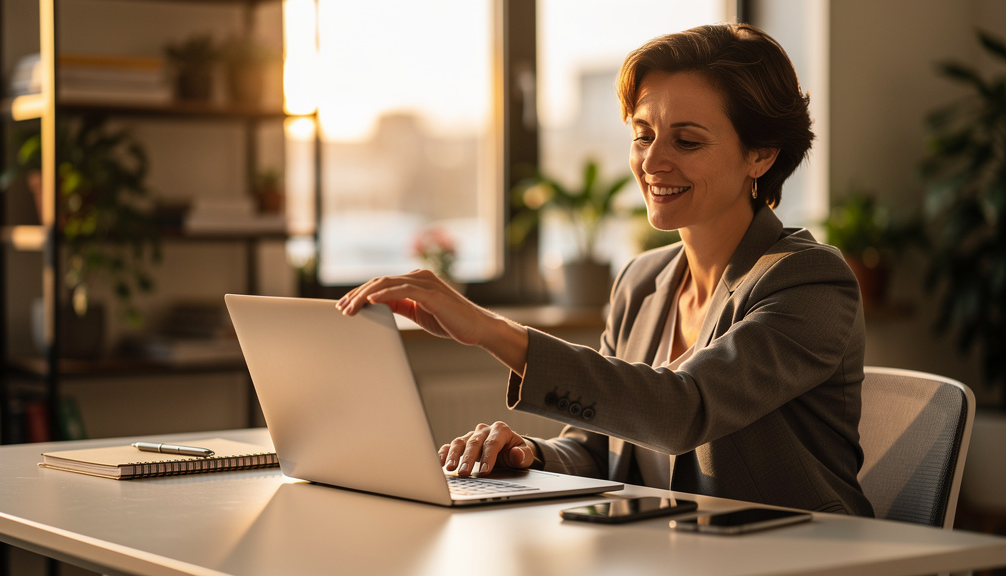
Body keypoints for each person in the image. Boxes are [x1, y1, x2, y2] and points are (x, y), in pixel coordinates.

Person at [337, 23, 874, 516]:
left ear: (760, 155)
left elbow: (683, 410)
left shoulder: (808, 281)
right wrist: (528, 454)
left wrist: (494, 332)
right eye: (643, 134)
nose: (652, 161)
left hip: (801, 560)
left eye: (687, 140)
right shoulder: (641, 283)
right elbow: (598, 449)